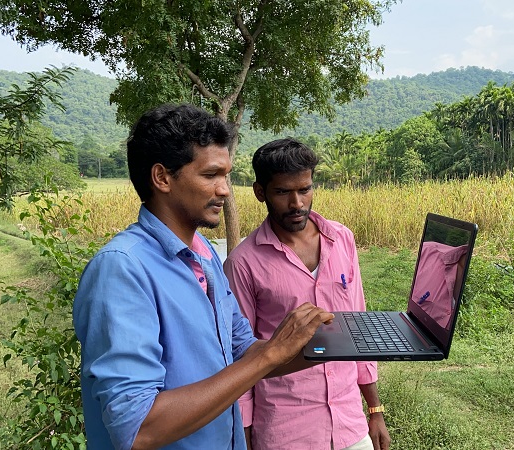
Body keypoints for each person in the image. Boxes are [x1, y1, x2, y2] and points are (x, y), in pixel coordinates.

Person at [72, 105, 334, 450]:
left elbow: (243, 351)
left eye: (226, 175)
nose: (225, 190)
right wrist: (271, 354)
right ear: (162, 178)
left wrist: (337, 346)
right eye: (211, 175)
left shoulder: (205, 254)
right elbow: (137, 428)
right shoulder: (122, 269)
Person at [224, 138, 391, 450]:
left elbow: (360, 327)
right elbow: (241, 356)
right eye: (283, 192)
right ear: (261, 193)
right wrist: (245, 440)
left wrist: (375, 410)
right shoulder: (242, 263)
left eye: (304, 189)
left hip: (350, 423)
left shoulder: (342, 240)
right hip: (286, 430)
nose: (297, 203)